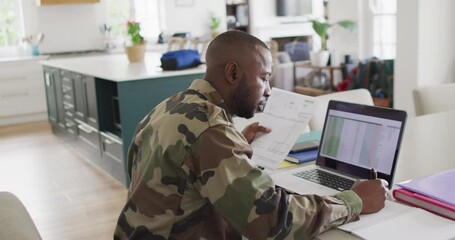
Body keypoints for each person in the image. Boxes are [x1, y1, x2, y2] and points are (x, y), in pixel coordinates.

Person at [114, 30, 387, 240]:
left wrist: (234, 146)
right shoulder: (211, 130)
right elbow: (272, 221)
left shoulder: (169, 106)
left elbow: (177, 173)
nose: (268, 90)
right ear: (233, 72)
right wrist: (355, 200)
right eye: (265, 78)